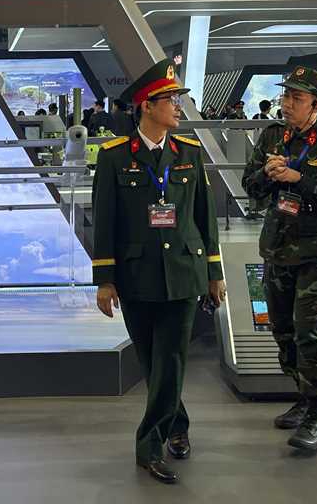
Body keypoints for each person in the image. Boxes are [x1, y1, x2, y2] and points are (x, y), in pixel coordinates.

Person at [92, 59, 224, 485]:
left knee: (171, 356)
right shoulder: (114, 156)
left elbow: (205, 218)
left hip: (184, 271)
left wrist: (214, 272)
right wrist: (105, 280)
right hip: (136, 275)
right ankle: (178, 424)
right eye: (170, 100)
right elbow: (105, 221)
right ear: (147, 106)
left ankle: (149, 445)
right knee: (154, 361)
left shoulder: (189, 153)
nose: (178, 107)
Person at [241, 67, 317, 453]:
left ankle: (316, 413)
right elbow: (251, 188)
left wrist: (299, 180)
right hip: (278, 248)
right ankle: (303, 395)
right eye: (286, 96)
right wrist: (268, 174)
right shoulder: (272, 136)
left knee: (310, 331)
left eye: (297, 98)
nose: (287, 103)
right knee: (283, 331)